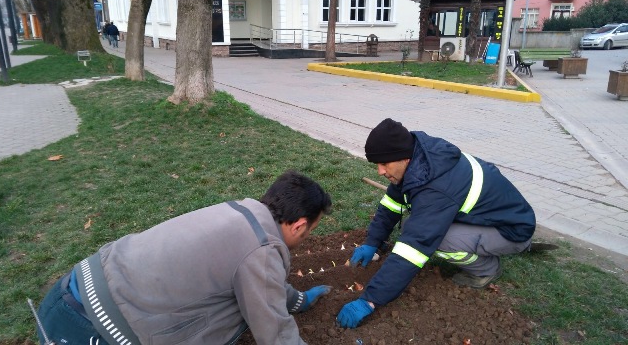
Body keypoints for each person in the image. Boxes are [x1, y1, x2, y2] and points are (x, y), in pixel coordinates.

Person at [35, 170, 333, 345]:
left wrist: (297, 301)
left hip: (64, 297)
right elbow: (277, 335)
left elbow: (264, 282)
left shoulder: (238, 212)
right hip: (91, 332)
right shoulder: (262, 250)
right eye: (311, 230)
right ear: (300, 225)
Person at [336, 118, 536, 329]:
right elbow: (392, 205)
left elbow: (414, 248)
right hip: (494, 218)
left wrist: (370, 299)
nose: (380, 171)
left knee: (437, 240)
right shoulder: (417, 159)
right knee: (412, 225)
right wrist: (373, 241)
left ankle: (486, 269)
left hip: (511, 230)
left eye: (384, 164)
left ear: (402, 157)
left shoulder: (436, 187)